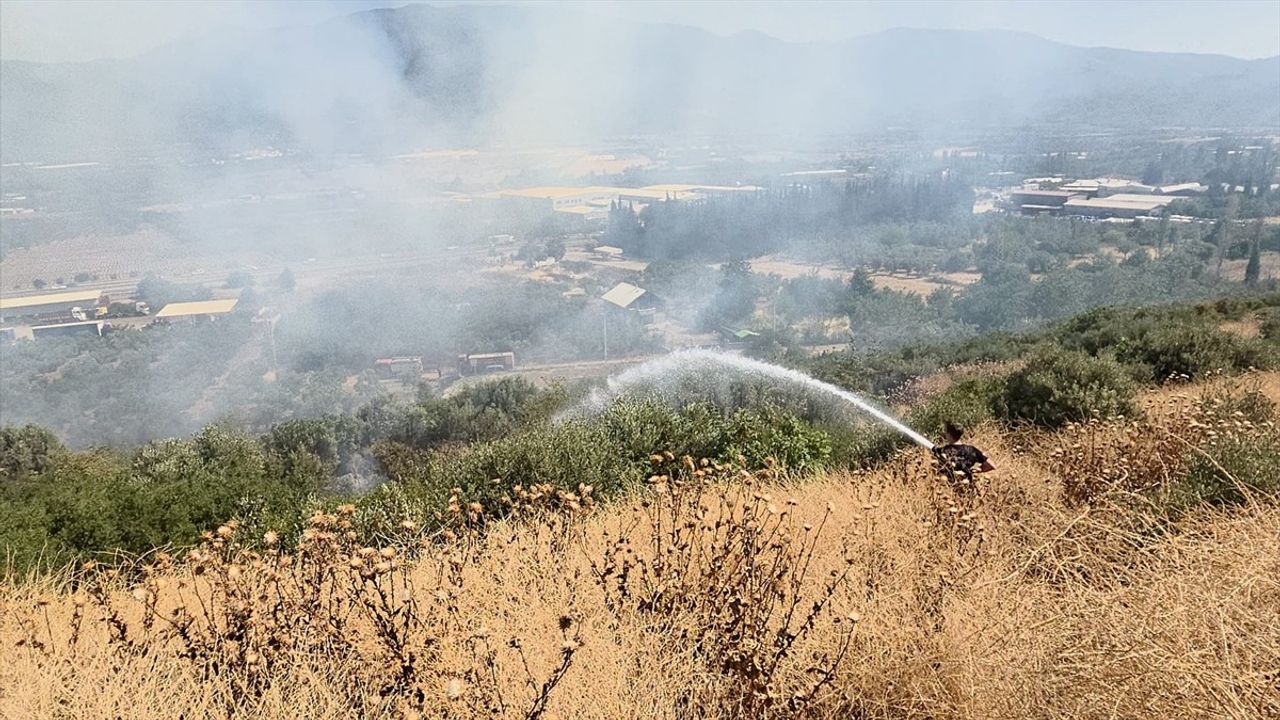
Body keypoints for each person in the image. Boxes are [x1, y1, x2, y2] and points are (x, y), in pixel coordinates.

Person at [933, 422, 994, 494]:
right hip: (968, 490)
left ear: (949, 434)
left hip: (948, 492)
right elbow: (991, 465)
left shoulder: (944, 451)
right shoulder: (971, 450)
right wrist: (976, 470)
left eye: (946, 432)